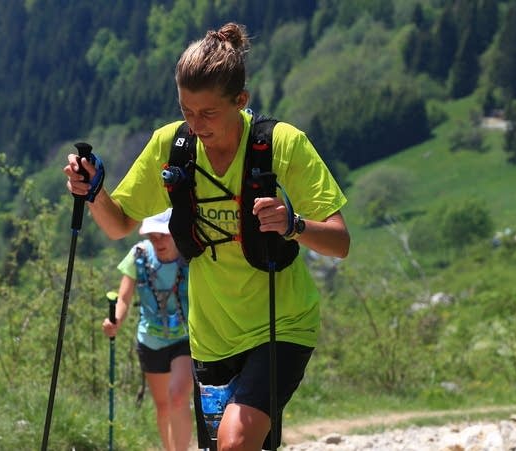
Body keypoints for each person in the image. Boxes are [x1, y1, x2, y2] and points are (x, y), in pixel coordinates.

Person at [65, 22, 350, 451]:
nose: (196, 124)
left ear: (240, 101)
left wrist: (294, 225)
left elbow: (340, 242)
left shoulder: (281, 143)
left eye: (208, 113)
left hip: (282, 324)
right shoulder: (172, 145)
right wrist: (93, 190)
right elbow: (118, 223)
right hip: (212, 337)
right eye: (186, 111)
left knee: (235, 442)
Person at [101, 208, 193, 451]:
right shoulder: (140, 255)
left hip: (185, 338)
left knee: (178, 397)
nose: (157, 241)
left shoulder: (191, 255)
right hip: (150, 340)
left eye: (163, 235)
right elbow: (123, 298)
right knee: (163, 406)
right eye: (153, 235)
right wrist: (115, 321)